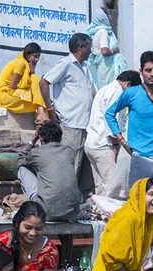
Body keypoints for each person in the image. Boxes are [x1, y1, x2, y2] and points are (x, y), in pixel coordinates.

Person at [105, 51, 153, 196]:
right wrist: (122, 140)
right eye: (148, 70)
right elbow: (109, 114)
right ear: (141, 72)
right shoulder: (131, 93)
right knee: (138, 199)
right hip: (139, 155)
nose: (152, 74)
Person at [40, 33, 93, 179]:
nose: (91, 51)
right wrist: (50, 109)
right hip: (70, 123)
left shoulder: (86, 67)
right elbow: (43, 82)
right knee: (70, 165)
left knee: (81, 168)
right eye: (89, 47)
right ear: (81, 47)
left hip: (84, 124)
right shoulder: (65, 64)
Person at [85, 70, 141, 196]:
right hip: (104, 145)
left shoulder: (105, 89)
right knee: (112, 188)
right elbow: (110, 121)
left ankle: (100, 214)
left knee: (100, 187)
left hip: (92, 143)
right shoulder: (116, 93)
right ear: (128, 85)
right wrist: (116, 147)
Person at [17, 121, 82, 221]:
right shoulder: (69, 151)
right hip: (72, 213)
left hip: (46, 212)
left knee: (23, 169)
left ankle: (36, 207)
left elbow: (20, 161)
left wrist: (33, 140)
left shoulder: (37, 152)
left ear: (41, 138)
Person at [0, 42, 47, 124]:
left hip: (11, 95)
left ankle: (40, 114)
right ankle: (41, 113)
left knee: (35, 80)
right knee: (39, 99)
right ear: (28, 55)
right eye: (35, 56)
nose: (37, 60)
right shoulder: (20, 63)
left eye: (38, 57)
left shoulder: (26, 65)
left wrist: (32, 72)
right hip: (4, 95)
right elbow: (13, 86)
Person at [85, 8, 127, 91]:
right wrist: (115, 50)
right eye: (108, 16)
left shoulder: (93, 31)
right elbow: (104, 51)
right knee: (109, 91)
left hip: (99, 66)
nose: (110, 18)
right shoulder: (103, 31)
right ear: (103, 17)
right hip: (106, 67)